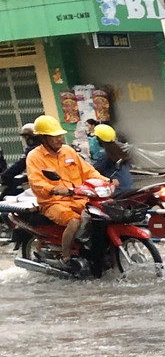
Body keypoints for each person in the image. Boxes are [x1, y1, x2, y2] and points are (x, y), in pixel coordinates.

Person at [27, 114, 106, 268]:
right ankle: (66, 257)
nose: (59, 139)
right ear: (43, 138)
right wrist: (54, 189)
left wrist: (105, 181)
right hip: (53, 202)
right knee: (74, 221)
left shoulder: (68, 151)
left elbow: (88, 171)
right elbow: (36, 182)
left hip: (79, 198)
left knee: (100, 216)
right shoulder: (34, 157)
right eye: (54, 136)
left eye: (60, 135)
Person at [91, 124, 134, 195]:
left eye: (95, 137)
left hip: (117, 190)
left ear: (99, 139)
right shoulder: (118, 151)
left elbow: (94, 171)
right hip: (128, 187)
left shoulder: (105, 154)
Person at [1, 124, 39, 197]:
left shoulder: (34, 150)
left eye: (26, 137)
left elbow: (19, 165)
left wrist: (3, 176)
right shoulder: (44, 147)